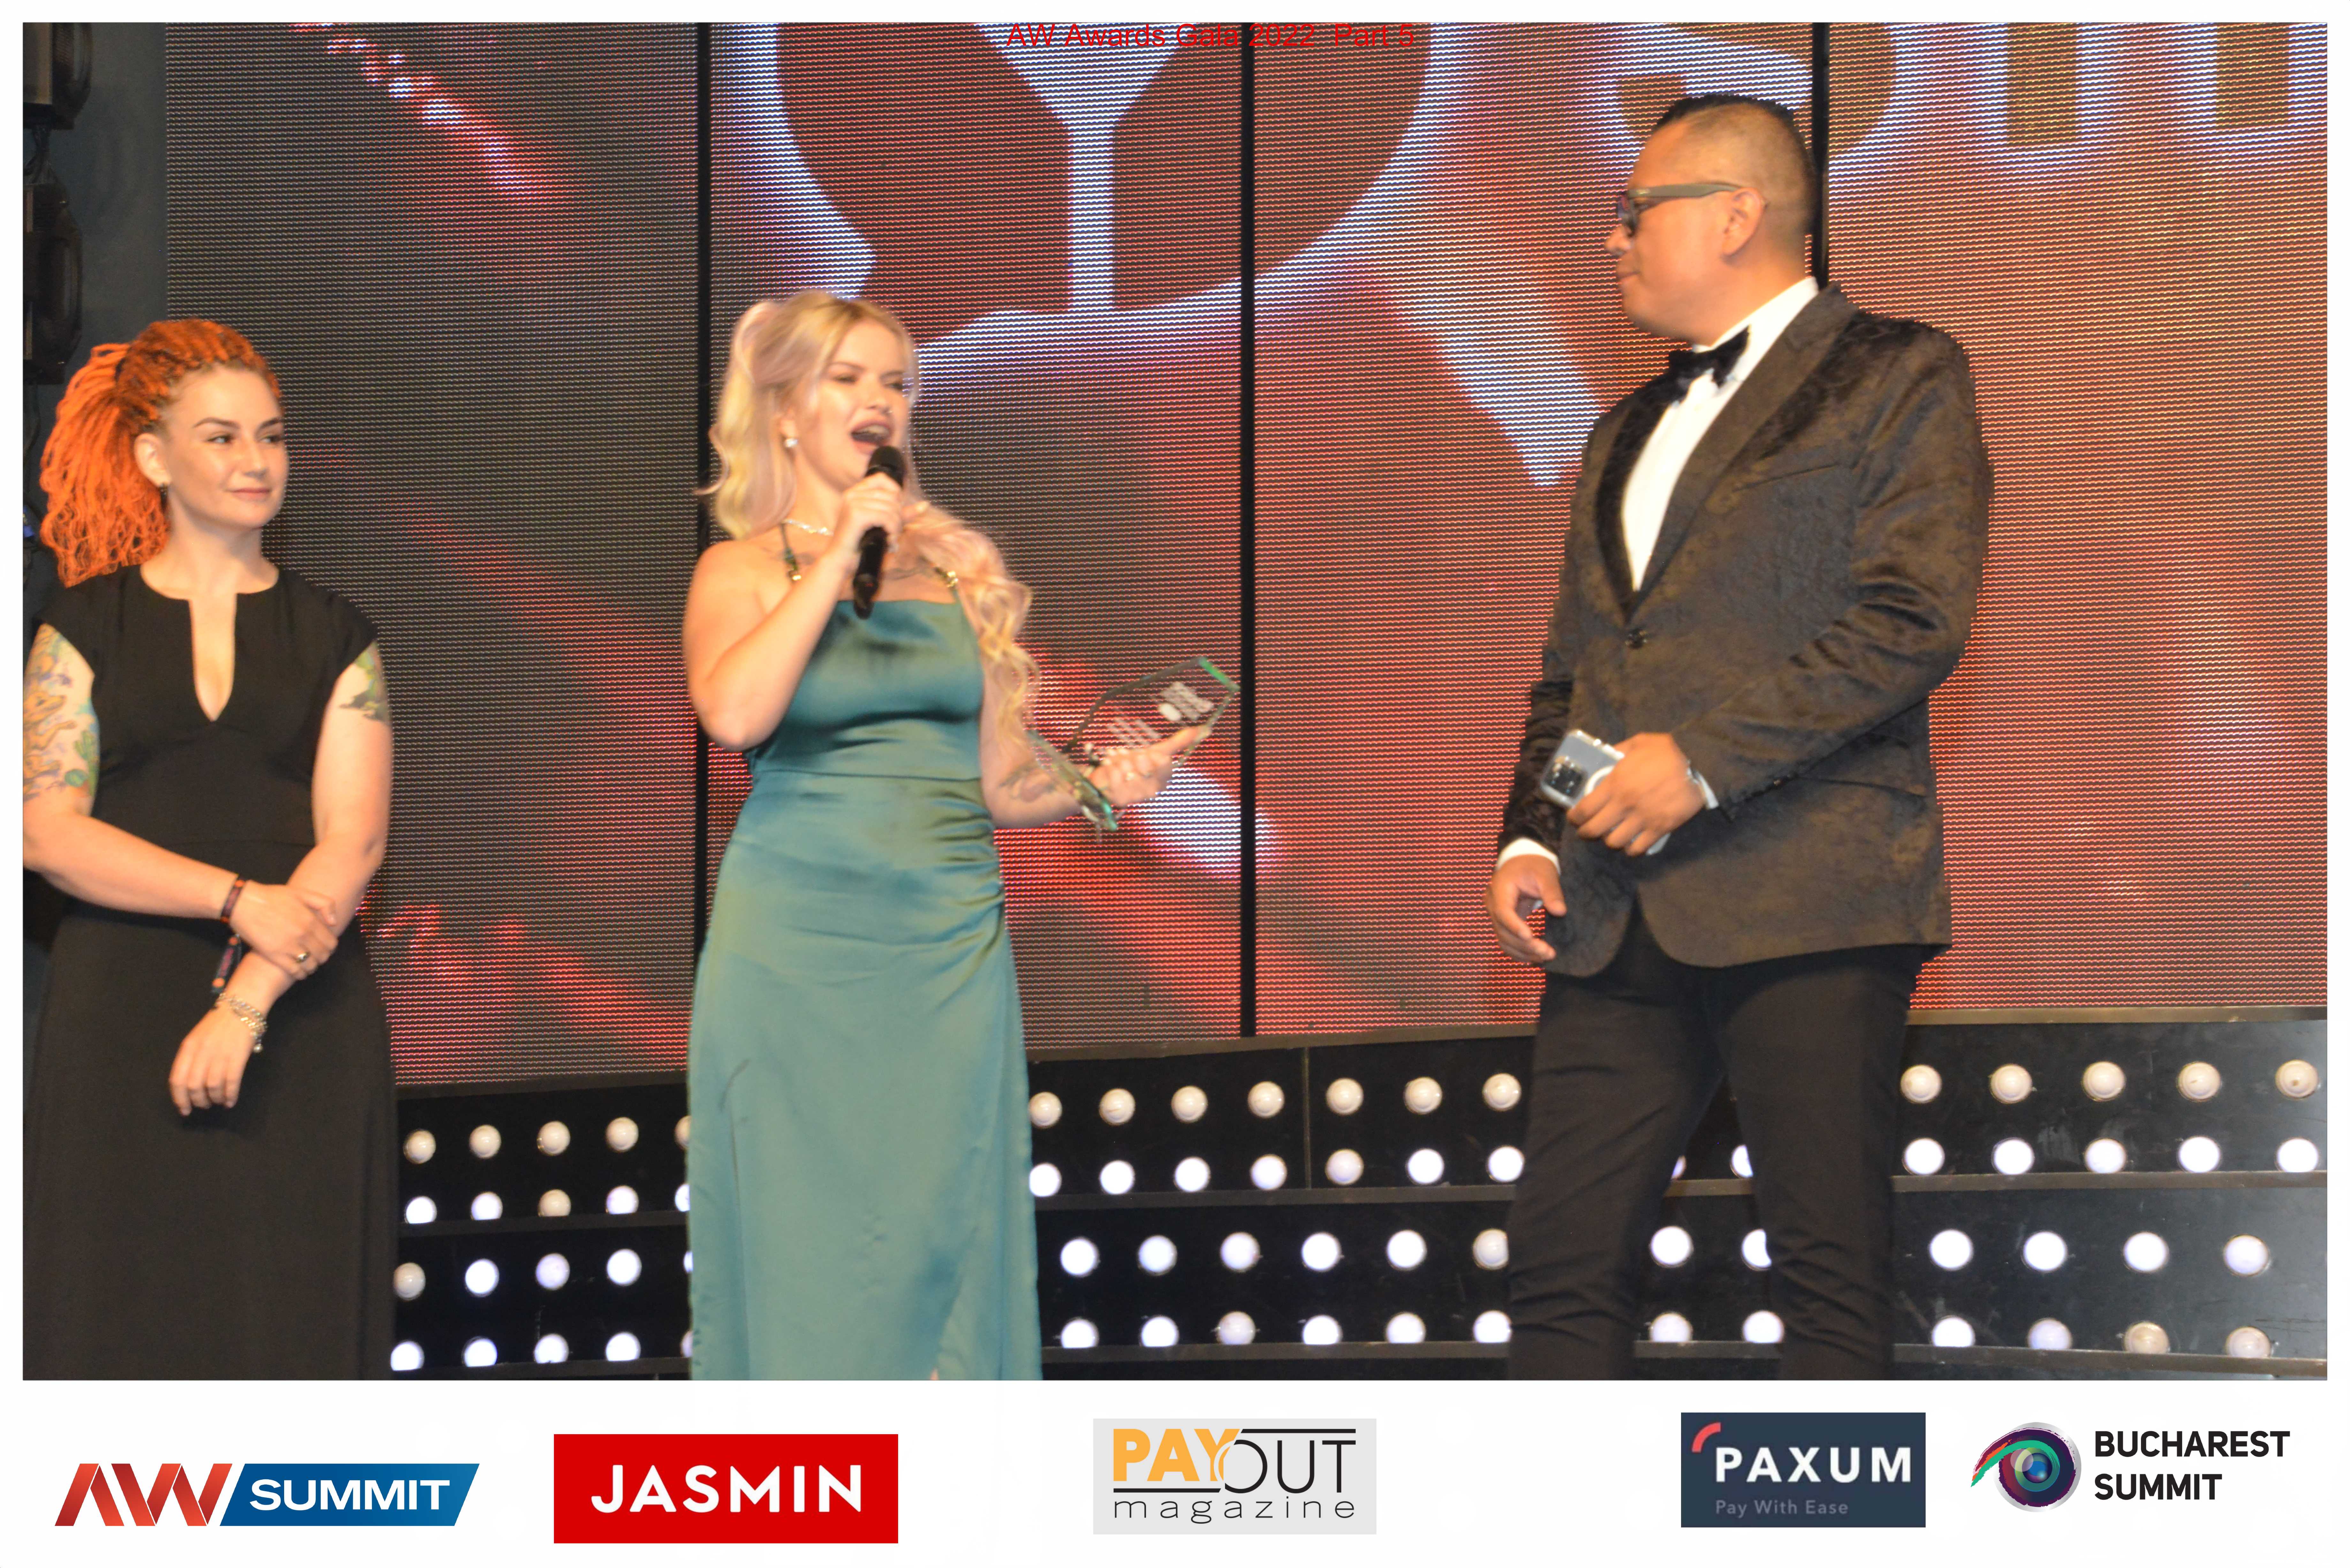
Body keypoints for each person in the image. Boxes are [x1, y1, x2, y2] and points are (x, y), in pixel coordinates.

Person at [1486, 94, 1990, 1378]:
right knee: (1555, 1272)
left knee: (1827, 1275)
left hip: (1811, 895)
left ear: (1733, 214)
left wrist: (1701, 764)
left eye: (1632, 212)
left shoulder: (1898, 371)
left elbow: (1911, 619)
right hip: (1612, 908)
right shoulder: (1620, 429)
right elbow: (1579, 679)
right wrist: (1531, 837)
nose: (1611, 239)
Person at [682, 293, 1193, 1378]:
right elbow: (733, 714)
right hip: (794, 949)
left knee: (941, 1229)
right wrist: (835, 559)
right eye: (848, 379)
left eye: (898, 383)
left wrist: (1105, 782)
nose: (880, 402)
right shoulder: (739, 570)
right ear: (785, 412)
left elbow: (1004, 779)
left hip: (944, 947)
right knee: (803, 1235)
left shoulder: (960, 569)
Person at [22, 320, 395, 1378]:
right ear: (153, 457)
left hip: (301, 1010)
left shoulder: (339, 635)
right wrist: (238, 899)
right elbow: (45, 830)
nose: (256, 461)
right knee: (114, 1314)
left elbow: (353, 845)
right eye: (222, 437)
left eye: (271, 436)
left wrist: (243, 1008)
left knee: (292, 1318)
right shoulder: (81, 626)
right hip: (119, 1009)